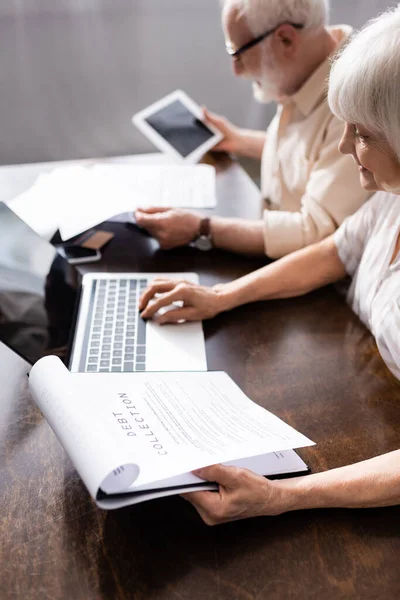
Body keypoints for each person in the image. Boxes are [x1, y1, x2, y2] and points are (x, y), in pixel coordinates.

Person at [139, 5, 400, 524]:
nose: (345, 145)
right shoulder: (391, 198)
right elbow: (333, 252)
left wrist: (285, 497)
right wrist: (221, 298)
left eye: (363, 134)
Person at [135, 0, 370, 259]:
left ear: (285, 39)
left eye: (238, 53)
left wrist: (201, 228)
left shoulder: (353, 105)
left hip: (316, 280)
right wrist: (238, 140)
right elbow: (311, 155)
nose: (237, 70)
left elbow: (317, 233)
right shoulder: (308, 65)